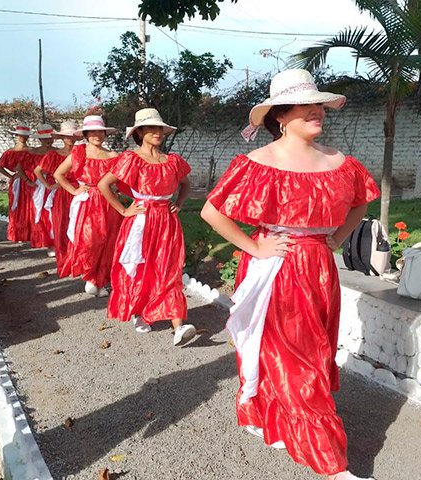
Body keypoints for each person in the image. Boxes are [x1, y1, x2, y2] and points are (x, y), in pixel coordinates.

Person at [200, 69, 379, 480]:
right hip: (276, 270)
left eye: (319, 104)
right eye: (305, 104)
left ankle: (277, 419)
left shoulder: (341, 163)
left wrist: (336, 239)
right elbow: (212, 211)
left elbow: (360, 203)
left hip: (319, 268)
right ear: (280, 115)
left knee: (314, 355)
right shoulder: (256, 163)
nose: (316, 110)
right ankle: (330, 462)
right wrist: (254, 246)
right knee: (296, 361)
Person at [98, 108, 196, 347]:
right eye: (151, 128)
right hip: (140, 222)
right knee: (142, 269)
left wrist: (179, 203)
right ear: (139, 132)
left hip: (167, 222)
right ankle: (140, 310)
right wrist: (124, 210)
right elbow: (104, 185)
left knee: (169, 270)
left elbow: (186, 184)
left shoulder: (173, 161)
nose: (157, 133)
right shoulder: (131, 159)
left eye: (159, 128)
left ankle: (179, 326)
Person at [53, 113, 122, 297]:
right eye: (92, 132)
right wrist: (74, 190)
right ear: (85, 134)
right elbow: (58, 174)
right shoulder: (78, 152)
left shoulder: (113, 155)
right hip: (88, 202)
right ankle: (91, 276)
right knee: (90, 241)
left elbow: (122, 180)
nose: (96, 136)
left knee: (109, 241)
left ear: (105, 134)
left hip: (108, 202)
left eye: (100, 132)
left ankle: (100, 281)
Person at [34, 121, 78, 261]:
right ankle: (63, 252)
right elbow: (37, 171)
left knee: (78, 222)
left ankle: (77, 252)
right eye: (66, 136)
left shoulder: (81, 153)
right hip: (61, 193)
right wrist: (48, 186)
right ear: (61, 138)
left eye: (72, 136)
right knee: (61, 222)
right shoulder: (54, 155)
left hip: (79, 191)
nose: (69, 139)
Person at [0, 123, 35, 243]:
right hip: (18, 182)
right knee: (17, 206)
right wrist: (11, 176)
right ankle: (18, 234)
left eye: (25, 136)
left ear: (28, 137)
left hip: (30, 180)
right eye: (20, 135)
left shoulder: (32, 151)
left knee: (30, 206)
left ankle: (30, 232)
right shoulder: (10, 152)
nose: (22, 138)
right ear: (16, 136)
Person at [28, 123, 57, 251]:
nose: (48, 140)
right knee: (43, 213)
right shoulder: (33, 152)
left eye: (50, 137)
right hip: (40, 185)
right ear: (40, 139)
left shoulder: (57, 152)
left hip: (57, 183)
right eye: (44, 138)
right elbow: (29, 169)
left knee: (56, 213)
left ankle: (57, 241)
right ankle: (46, 241)